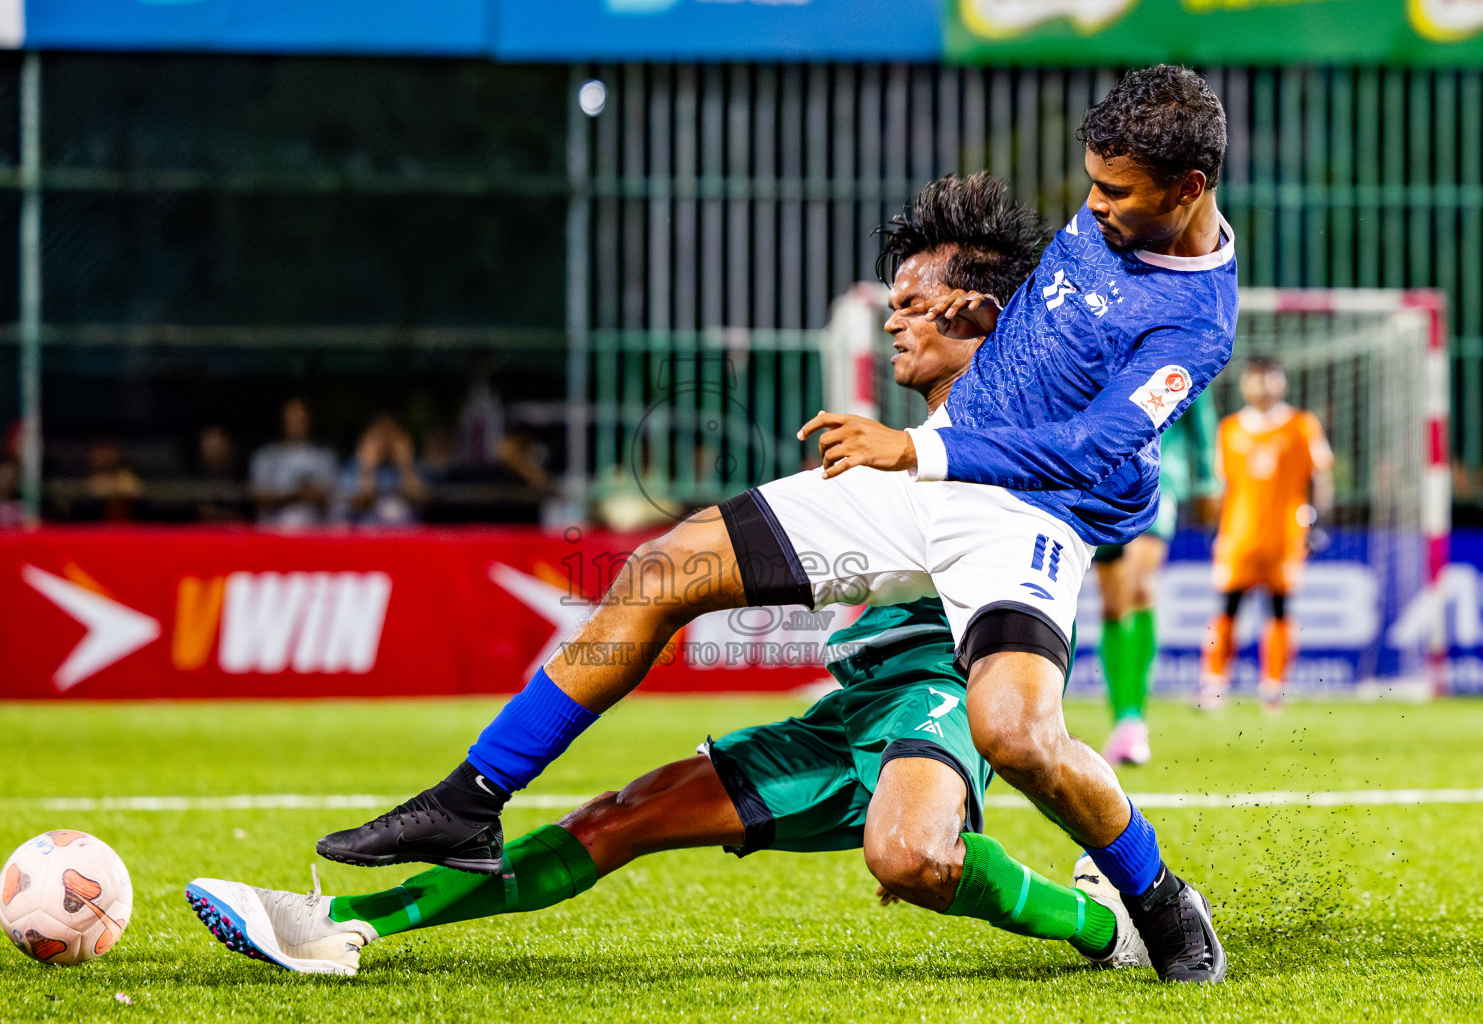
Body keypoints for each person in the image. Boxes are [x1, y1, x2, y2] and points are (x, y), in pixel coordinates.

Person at [318, 67, 1237, 984]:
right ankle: (473, 796)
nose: (1094, 204)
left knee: (1015, 735)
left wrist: (915, 453)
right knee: (664, 571)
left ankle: (1157, 900)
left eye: (1114, 192)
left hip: (1025, 515)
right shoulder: (1120, 205)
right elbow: (1046, 324)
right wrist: (958, 322)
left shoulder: (1195, 322)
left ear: (1188, 189)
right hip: (932, 462)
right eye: (1091, 182)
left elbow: (1093, 444)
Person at [185, 179, 1150, 977]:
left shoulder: (1005, 450)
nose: (891, 321)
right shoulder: (901, 447)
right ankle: (342, 924)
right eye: (888, 300)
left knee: (907, 856)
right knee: (622, 815)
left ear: (979, 314)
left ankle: (1109, 923)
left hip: (938, 692)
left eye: (910, 303)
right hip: (859, 702)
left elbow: (1100, 472)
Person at [1198, 355, 1333, 712]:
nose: (1263, 385)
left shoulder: (1302, 426)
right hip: (1239, 537)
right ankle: (1214, 685)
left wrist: (1317, 522)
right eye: (1256, 378)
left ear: (1282, 382)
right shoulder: (1229, 430)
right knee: (1227, 609)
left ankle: (1273, 687)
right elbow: (1219, 486)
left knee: (1279, 610)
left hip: (1285, 538)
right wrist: (1215, 526)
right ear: (1245, 384)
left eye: (1270, 377)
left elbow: (1320, 475)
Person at [1093, 398, 1218, 765]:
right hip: (1102, 478)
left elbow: (1197, 401)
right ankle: (1122, 719)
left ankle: (1133, 720)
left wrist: (1208, 476)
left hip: (1160, 477)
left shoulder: (1166, 341)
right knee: (1114, 602)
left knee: (1138, 584)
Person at [250, 398, 338, 529]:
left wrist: (311, 494)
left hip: (314, 535)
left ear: (309, 421)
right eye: (292, 419)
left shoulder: (324, 457)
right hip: (272, 534)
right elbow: (258, 497)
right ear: (282, 421)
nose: (296, 423)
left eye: (301, 419)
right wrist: (293, 494)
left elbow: (332, 497)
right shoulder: (265, 456)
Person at [334, 414, 427, 527]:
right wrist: (368, 468)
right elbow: (361, 502)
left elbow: (420, 500)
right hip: (366, 533)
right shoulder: (352, 466)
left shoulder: (413, 466)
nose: (385, 443)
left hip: (406, 534)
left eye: (391, 436)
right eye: (379, 437)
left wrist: (405, 467)